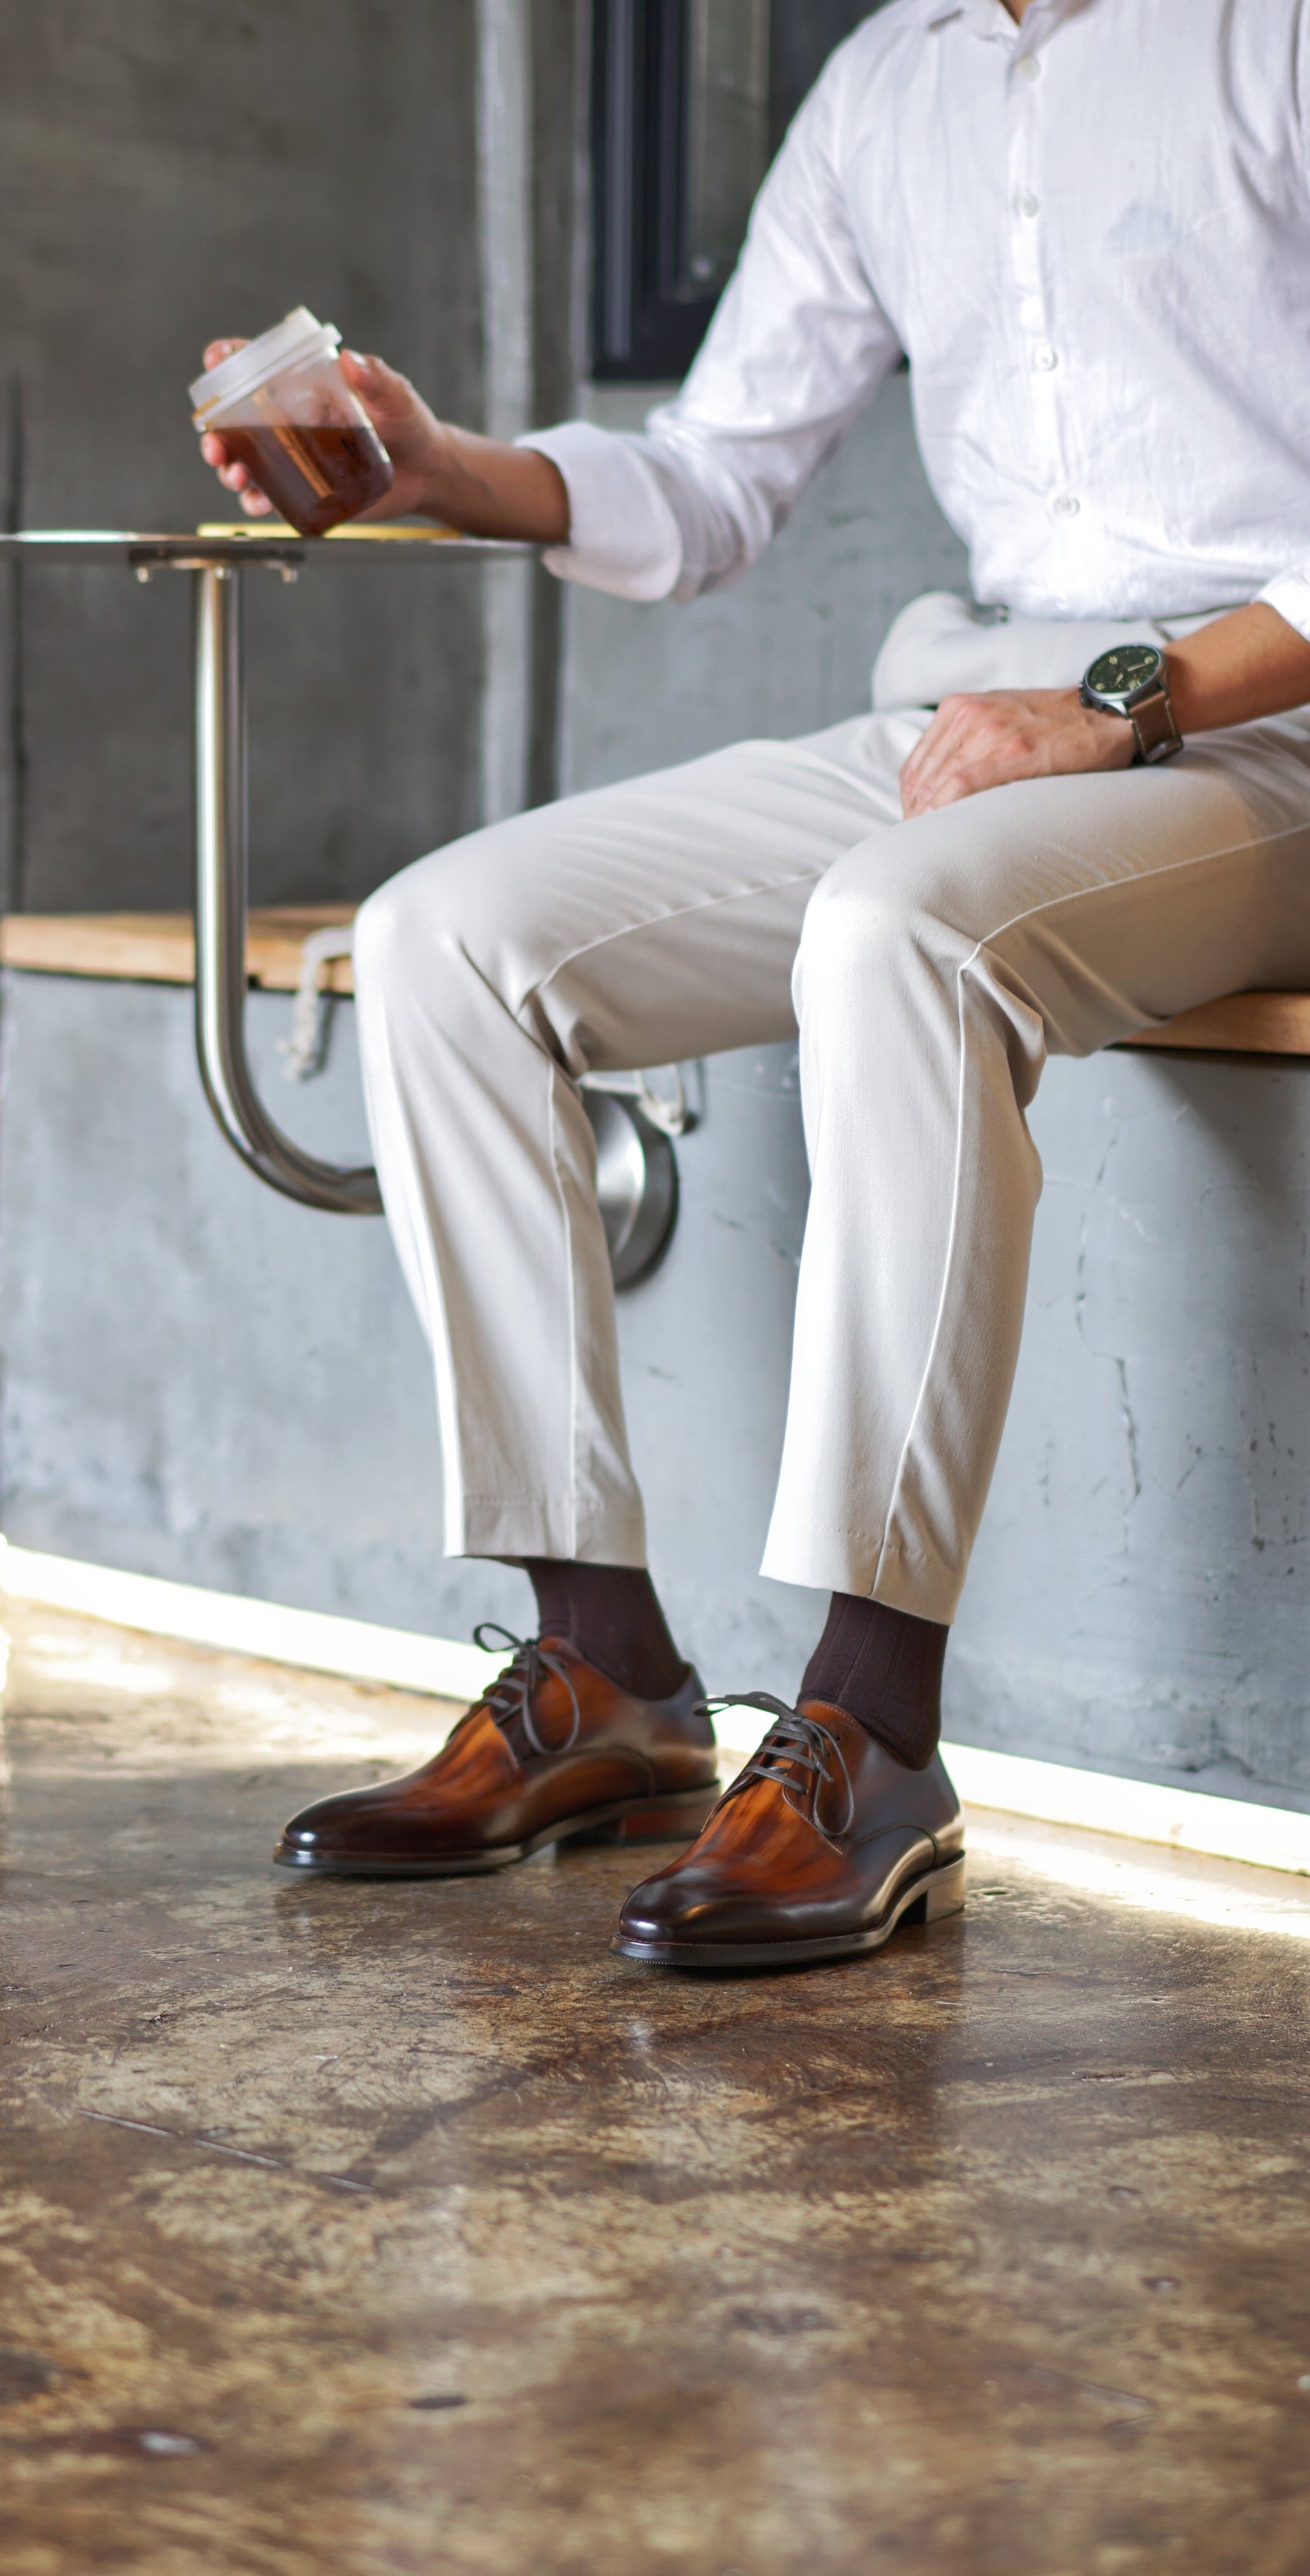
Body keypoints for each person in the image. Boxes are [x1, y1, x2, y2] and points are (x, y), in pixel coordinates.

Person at [202, 0, 1310, 1970]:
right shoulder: (890, 80)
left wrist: (1117, 700)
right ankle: (604, 1674)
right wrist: (433, 461)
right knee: (445, 935)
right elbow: (712, 476)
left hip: (1260, 739)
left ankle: (873, 1734)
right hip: (971, 714)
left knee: (897, 922)